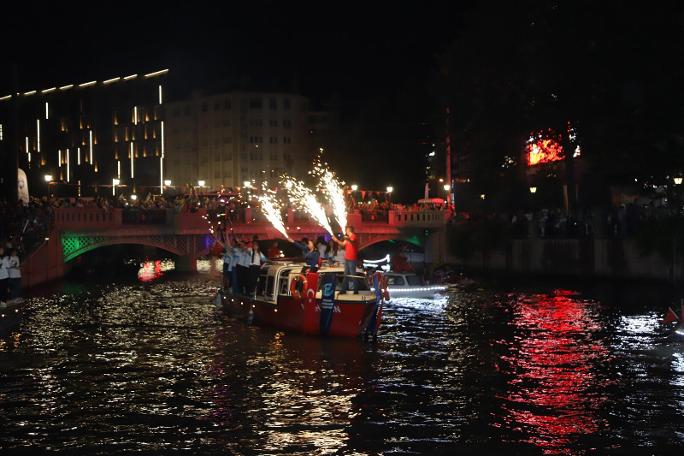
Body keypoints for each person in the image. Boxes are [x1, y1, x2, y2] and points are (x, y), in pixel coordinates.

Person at [332, 226, 359, 294]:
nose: (345, 231)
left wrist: (348, 239)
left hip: (352, 259)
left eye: (346, 230)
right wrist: (336, 240)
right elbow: (342, 244)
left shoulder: (353, 236)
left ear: (349, 230)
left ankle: (356, 291)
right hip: (347, 259)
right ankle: (343, 290)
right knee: (345, 275)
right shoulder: (347, 238)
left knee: (353, 275)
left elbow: (352, 242)